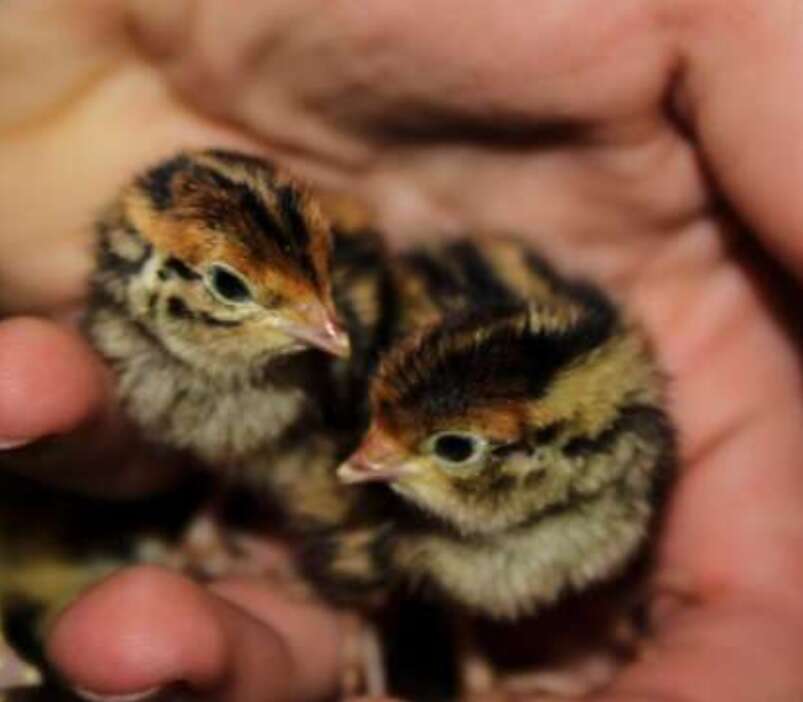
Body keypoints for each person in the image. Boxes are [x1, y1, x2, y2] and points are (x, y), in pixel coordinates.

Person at [2, 1, 803, 700]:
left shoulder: (594, 467)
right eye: (241, 292)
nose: (331, 331)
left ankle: (463, 643)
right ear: (147, 277)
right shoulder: (192, 334)